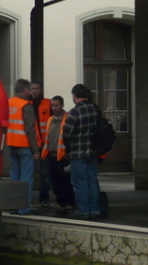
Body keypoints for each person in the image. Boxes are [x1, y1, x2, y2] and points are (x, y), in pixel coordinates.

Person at [61, 84, 101, 218]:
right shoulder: (94, 109)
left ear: (74, 95)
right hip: (92, 151)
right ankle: (94, 209)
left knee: (80, 182)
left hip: (77, 152)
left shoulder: (75, 111)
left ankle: (83, 210)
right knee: (92, 181)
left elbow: (67, 132)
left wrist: (66, 147)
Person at [6, 78, 40, 214]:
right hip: (25, 145)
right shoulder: (26, 105)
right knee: (26, 178)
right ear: (25, 91)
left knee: (14, 176)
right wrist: (35, 149)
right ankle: (24, 208)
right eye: (30, 90)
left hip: (11, 144)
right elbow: (30, 129)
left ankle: (13, 206)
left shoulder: (8, 103)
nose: (31, 93)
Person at [42, 95, 75, 212]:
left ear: (62, 105)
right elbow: (48, 137)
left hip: (62, 156)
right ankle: (61, 202)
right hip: (51, 154)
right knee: (55, 180)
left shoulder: (67, 118)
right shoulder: (51, 119)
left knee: (65, 181)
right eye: (52, 105)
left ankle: (67, 202)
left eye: (57, 105)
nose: (54, 108)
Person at [30, 80, 53, 207]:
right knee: (30, 173)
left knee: (45, 174)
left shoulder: (48, 103)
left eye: (37, 88)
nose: (35, 91)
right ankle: (29, 200)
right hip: (31, 144)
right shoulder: (27, 104)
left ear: (41, 90)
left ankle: (44, 199)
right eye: (32, 88)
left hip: (45, 144)